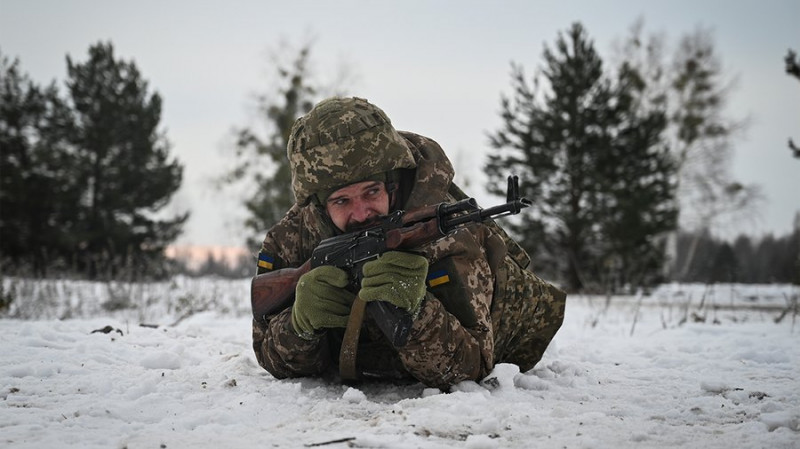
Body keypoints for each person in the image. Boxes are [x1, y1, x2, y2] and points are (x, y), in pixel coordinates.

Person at [251, 97, 566, 390]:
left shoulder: (447, 235)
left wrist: (416, 312)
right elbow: (269, 358)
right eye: (342, 201)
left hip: (511, 337)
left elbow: (470, 371)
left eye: (372, 192)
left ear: (392, 183)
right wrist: (298, 326)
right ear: (318, 206)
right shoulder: (291, 238)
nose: (361, 213)